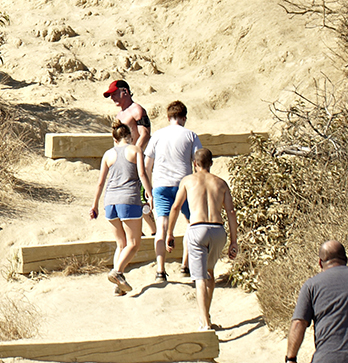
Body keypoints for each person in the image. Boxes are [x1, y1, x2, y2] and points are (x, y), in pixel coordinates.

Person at [166, 148, 238, 331]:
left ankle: (204, 323)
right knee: (210, 273)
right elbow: (230, 211)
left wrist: (169, 233)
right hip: (218, 230)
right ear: (211, 163)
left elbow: (175, 207)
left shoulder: (188, 181)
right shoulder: (221, 183)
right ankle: (207, 315)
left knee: (199, 277)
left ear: (194, 163)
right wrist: (234, 241)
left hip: (197, 228)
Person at [89, 122, 152, 295]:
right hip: (128, 199)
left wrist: (94, 205)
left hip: (110, 201)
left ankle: (119, 285)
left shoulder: (108, 154)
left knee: (121, 244)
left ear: (114, 139)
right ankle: (117, 273)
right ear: (130, 136)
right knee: (133, 243)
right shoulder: (135, 150)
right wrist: (150, 194)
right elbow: (142, 174)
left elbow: (101, 182)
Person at [145, 101, 203, 283]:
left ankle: (160, 270)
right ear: (184, 117)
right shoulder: (190, 135)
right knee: (191, 224)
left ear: (168, 117)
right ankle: (185, 265)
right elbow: (198, 162)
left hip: (161, 185)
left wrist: (148, 191)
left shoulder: (158, 135)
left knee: (161, 228)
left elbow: (147, 166)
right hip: (183, 185)